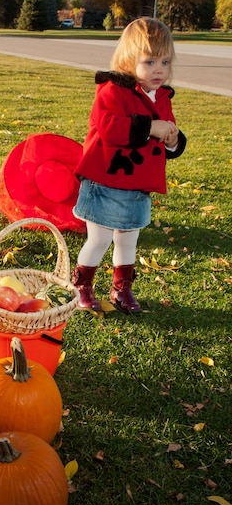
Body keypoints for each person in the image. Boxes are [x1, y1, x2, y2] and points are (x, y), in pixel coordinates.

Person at [72, 17, 187, 313]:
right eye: (149, 62)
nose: (158, 69)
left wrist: (172, 139)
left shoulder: (161, 96)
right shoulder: (112, 90)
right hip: (106, 178)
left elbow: (163, 135)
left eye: (164, 61)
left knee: (128, 237)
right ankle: (82, 284)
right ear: (128, 60)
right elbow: (110, 128)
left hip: (137, 184)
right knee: (100, 238)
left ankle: (121, 288)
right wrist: (151, 127)